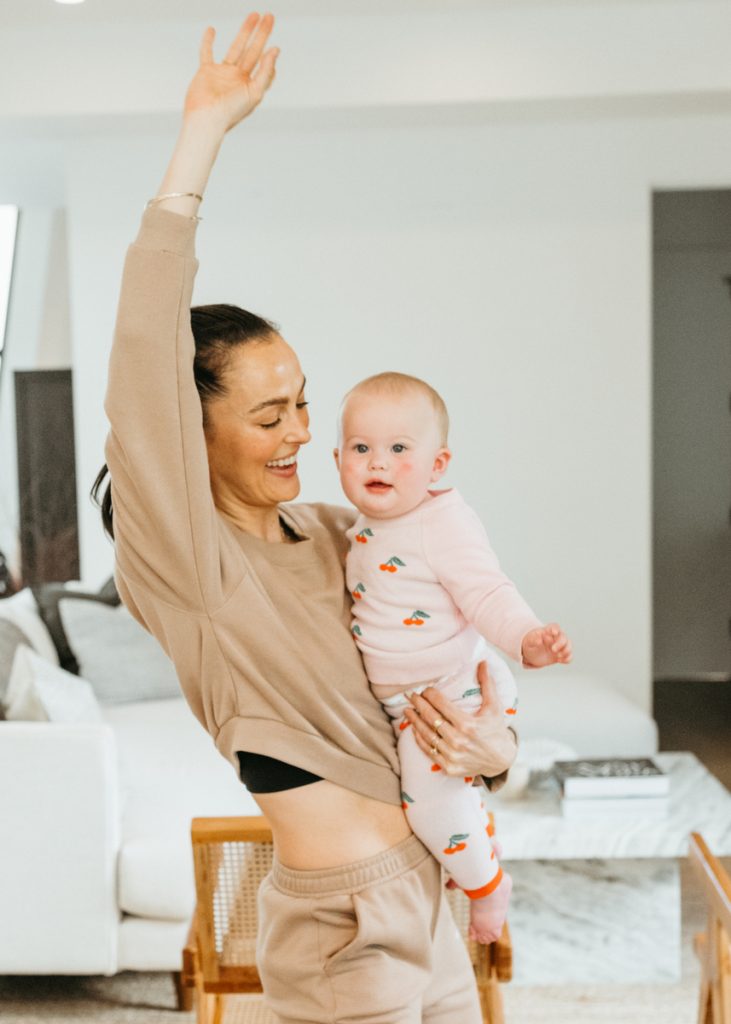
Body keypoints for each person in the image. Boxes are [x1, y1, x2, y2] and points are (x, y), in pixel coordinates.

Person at [94, 14, 521, 1023]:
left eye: (301, 402)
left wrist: (494, 747)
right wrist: (201, 134)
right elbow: (144, 343)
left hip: (430, 887)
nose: (298, 430)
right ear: (189, 427)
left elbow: (455, 663)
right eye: (266, 411)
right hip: (339, 927)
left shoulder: (342, 534)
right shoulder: (188, 565)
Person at [334, 371, 573, 943]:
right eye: (361, 449)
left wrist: (527, 640)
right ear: (337, 458)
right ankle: (473, 839)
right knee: (444, 803)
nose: (378, 464)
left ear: (438, 465)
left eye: (398, 450)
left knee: (428, 809)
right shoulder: (362, 525)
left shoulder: (442, 522)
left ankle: (489, 889)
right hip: (405, 700)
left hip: (451, 690)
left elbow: (487, 591)